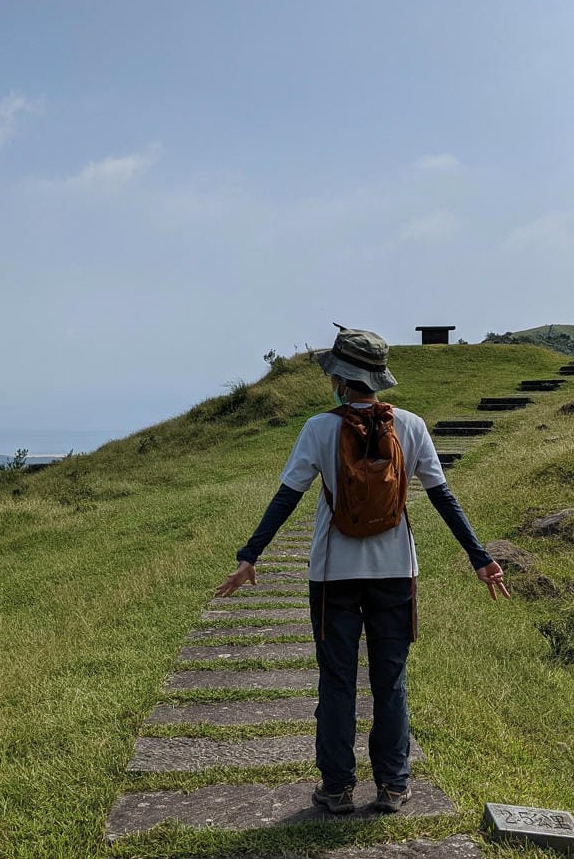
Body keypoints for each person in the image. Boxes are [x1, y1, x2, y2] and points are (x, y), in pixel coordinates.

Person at [216, 324, 509, 815]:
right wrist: (480, 558)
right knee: (390, 681)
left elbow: (288, 496)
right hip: (396, 574)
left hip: (333, 576)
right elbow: (442, 497)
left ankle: (336, 789)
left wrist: (251, 555)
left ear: (339, 379)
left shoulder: (319, 428)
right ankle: (394, 786)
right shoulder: (411, 426)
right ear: (378, 378)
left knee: (336, 681)